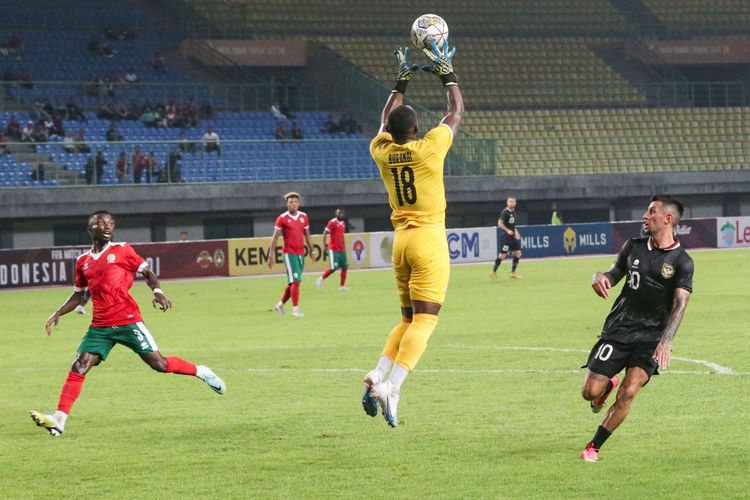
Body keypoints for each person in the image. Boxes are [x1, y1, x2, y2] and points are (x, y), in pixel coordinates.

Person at [31, 211, 225, 437]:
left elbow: (147, 272)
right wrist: (58, 312)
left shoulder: (122, 250)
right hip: (100, 327)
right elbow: (78, 295)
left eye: (110, 223)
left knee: (159, 364)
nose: (107, 226)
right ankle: (59, 420)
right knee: (79, 365)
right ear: (90, 228)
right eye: (101, 223)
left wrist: (158, 292)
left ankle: (201, 371)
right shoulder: (83, 262)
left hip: (128, 321)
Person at [363, 42, 463, 428]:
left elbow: (383, 120)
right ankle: (394, 387)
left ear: (390, 131)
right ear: (418, 128)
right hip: (428, 240)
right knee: (425, 321)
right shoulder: (429, 149)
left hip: (400, 242)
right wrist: (445, 69)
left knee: (406, 319)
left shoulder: (381, 149)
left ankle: (377, 373)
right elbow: (455, 111)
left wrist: (400, 80)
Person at [580, 195, 694, 462]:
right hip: (619, 329)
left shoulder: (682, 261)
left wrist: (665, 340)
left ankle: (593, 447)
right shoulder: (633, 246)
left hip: (651, 336)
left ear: (668, 219)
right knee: (589, 393)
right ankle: (605, 387)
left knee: (630, 390)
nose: (645, 215)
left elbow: (680, 304)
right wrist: (599, 277)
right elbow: (613, 273)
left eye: (651, 211)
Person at [268, 192, 313, 318]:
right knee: (296, 281)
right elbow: (275, 238)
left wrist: (312, 250)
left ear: (298, 204)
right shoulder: (282, 218)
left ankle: (280, 305)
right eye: (290, 202)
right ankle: (295, 309)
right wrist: (270, 254)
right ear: (287, 204)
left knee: (293, 282)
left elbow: (307, 235)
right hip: (289, 253)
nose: (292, 204)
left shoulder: (304, 217)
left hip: (300, 253)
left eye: (294, 202)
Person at [316, 208, 349, 291]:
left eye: (342, 213)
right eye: (339, 213)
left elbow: (342, 236)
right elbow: (325, 233)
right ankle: (320, 279)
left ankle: (342, 286)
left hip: (341, 249)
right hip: (333, 249)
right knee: (333, 268)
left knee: (345, 267)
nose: (341, 214)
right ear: (336, 214)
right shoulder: (332, 222)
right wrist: (324, 245)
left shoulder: (343, 223)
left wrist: (344, 247)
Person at [490, 197, 522, 280]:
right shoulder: (505, 212)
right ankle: (493, 272)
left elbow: (512, 225)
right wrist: (507, 230)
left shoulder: (513, 212)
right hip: (506, 237)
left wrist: (516, 232)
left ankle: (513, 272)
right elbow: (500, 223)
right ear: (507, 203)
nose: (512, 203)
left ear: (515, 203)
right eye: (510, 201)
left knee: (518, 253)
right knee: (502, 255)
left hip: (513, 236)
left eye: (513, 201)